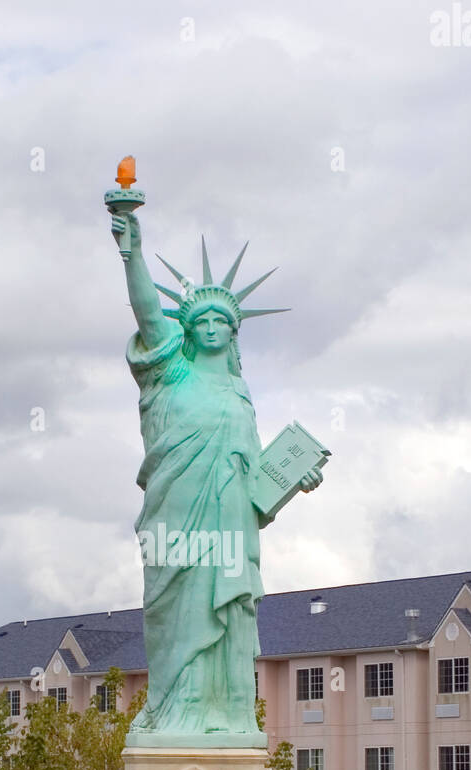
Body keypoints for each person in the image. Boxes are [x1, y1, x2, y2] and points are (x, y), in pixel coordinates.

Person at [112, 211, 321, 739]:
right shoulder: (169, 374)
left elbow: (257, 479)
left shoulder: (240, 394)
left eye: (219, 323)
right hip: (174, 516)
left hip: (230, 520)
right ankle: (170, 713)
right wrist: (132, 252)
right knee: (171, 613)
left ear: (232, 334)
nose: (209, 328)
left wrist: (294, 482)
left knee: (228, 612)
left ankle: (226, 719)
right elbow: (147, 315)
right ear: (188, 330)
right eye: (199, 321)